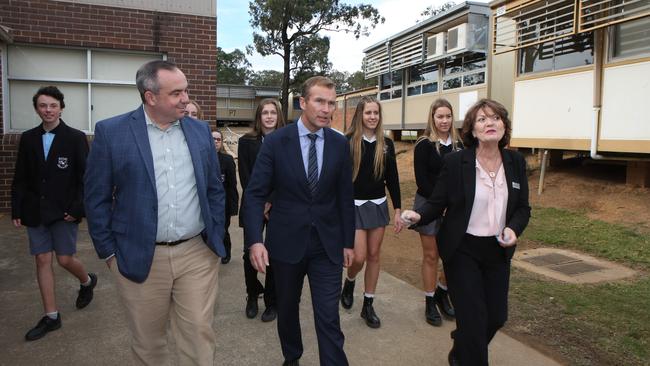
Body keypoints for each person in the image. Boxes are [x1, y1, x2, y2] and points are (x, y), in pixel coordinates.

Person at [84, 60, 226, 365]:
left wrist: (214, 238)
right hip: (139, 257)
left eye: (186, 90)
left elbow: (214, 188)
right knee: (149, 344)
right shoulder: (111, 133)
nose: (186, 99)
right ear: (150, 97)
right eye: (176, 93)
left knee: (199, 335)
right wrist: (109, 254)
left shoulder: (200, 131)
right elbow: (95, 199)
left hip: (196, 254)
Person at [400, 99, 531, 366]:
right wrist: (419, 215)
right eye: (482, 119)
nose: (490, 123)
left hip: (498, 251)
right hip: (462, 249)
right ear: (472, 130)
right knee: (473, 320)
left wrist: (513, 229)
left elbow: (522, 208)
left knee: (496, 317)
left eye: (495, 118)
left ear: (504, 126)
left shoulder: (515, 161)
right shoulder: (456, 161)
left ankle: (460, 350)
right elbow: (438, 202)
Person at [243, 76, 355, 366]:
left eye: (331, 103)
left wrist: (348, 242)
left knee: (328, 315)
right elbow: (255, 194)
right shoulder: (277, 142)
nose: (326, 109)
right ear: (303, 103)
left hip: (327, 246)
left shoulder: (340, 144)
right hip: (285, 245)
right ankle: (292, 357)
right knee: (288, 310)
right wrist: (255, 240)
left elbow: (345, 196)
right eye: (320, 101)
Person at [11, 86, 97, 342]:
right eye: (42, 106)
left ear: (61, 107)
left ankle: (86, 281)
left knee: (64, 260)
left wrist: (77, 208)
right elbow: (21, 177)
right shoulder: (27, 138)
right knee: (42, 260)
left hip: (64, 212)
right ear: (37, 108)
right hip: (34, 211)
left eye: (52, 106)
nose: (47, 110)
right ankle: (51, 316)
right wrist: (17, 208)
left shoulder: (75, 137)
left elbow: (86, 178)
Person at [340, 96, 402, 329]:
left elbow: (392, 178)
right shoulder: (347, 142)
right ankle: (350, 280)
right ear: (360, 115)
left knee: (375, 255)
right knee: (359, 256)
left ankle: (368, 304)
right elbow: (340, 179)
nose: (373, 117)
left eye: (376, 113)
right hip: (353, 206)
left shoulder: (386, 143)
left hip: (377, 205)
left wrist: (397, 208)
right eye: (368, 113)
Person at [412, 98, 462, 326]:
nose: (444, 120)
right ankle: (430, 301)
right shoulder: (424, 144)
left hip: (454, 208)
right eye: (440, 116)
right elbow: (422, 180)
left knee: (454, 255)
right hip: (429, 204)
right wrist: (440, 203)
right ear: (432, 118)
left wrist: (453, 202)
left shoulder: (460, 145)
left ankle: (443, 291)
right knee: (431, 255)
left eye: (448, 116)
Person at [237, 98, 285, 322]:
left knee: (274, 253)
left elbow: (287, 175)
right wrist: (260, 202)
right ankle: (252, 294)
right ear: (259, 116)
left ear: (278, 116)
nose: (268, 116)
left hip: (279, 205)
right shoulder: (246, 142)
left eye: (272, 113)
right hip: (253, 205)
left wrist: (271, 200)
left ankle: (272, 302)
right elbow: (245, 176)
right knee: (250, 253)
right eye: (264, 112)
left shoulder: (286, 141)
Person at [212, 129, 239, 264]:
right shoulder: (203, 158)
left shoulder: (228, 160)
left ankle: (225, 252)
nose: (215, 142)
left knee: (223, 229)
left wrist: (233, 206)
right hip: (209, 203)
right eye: (213, 139)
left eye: (218, 139)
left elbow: (232, 185)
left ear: (222, 142)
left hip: (224, 204)